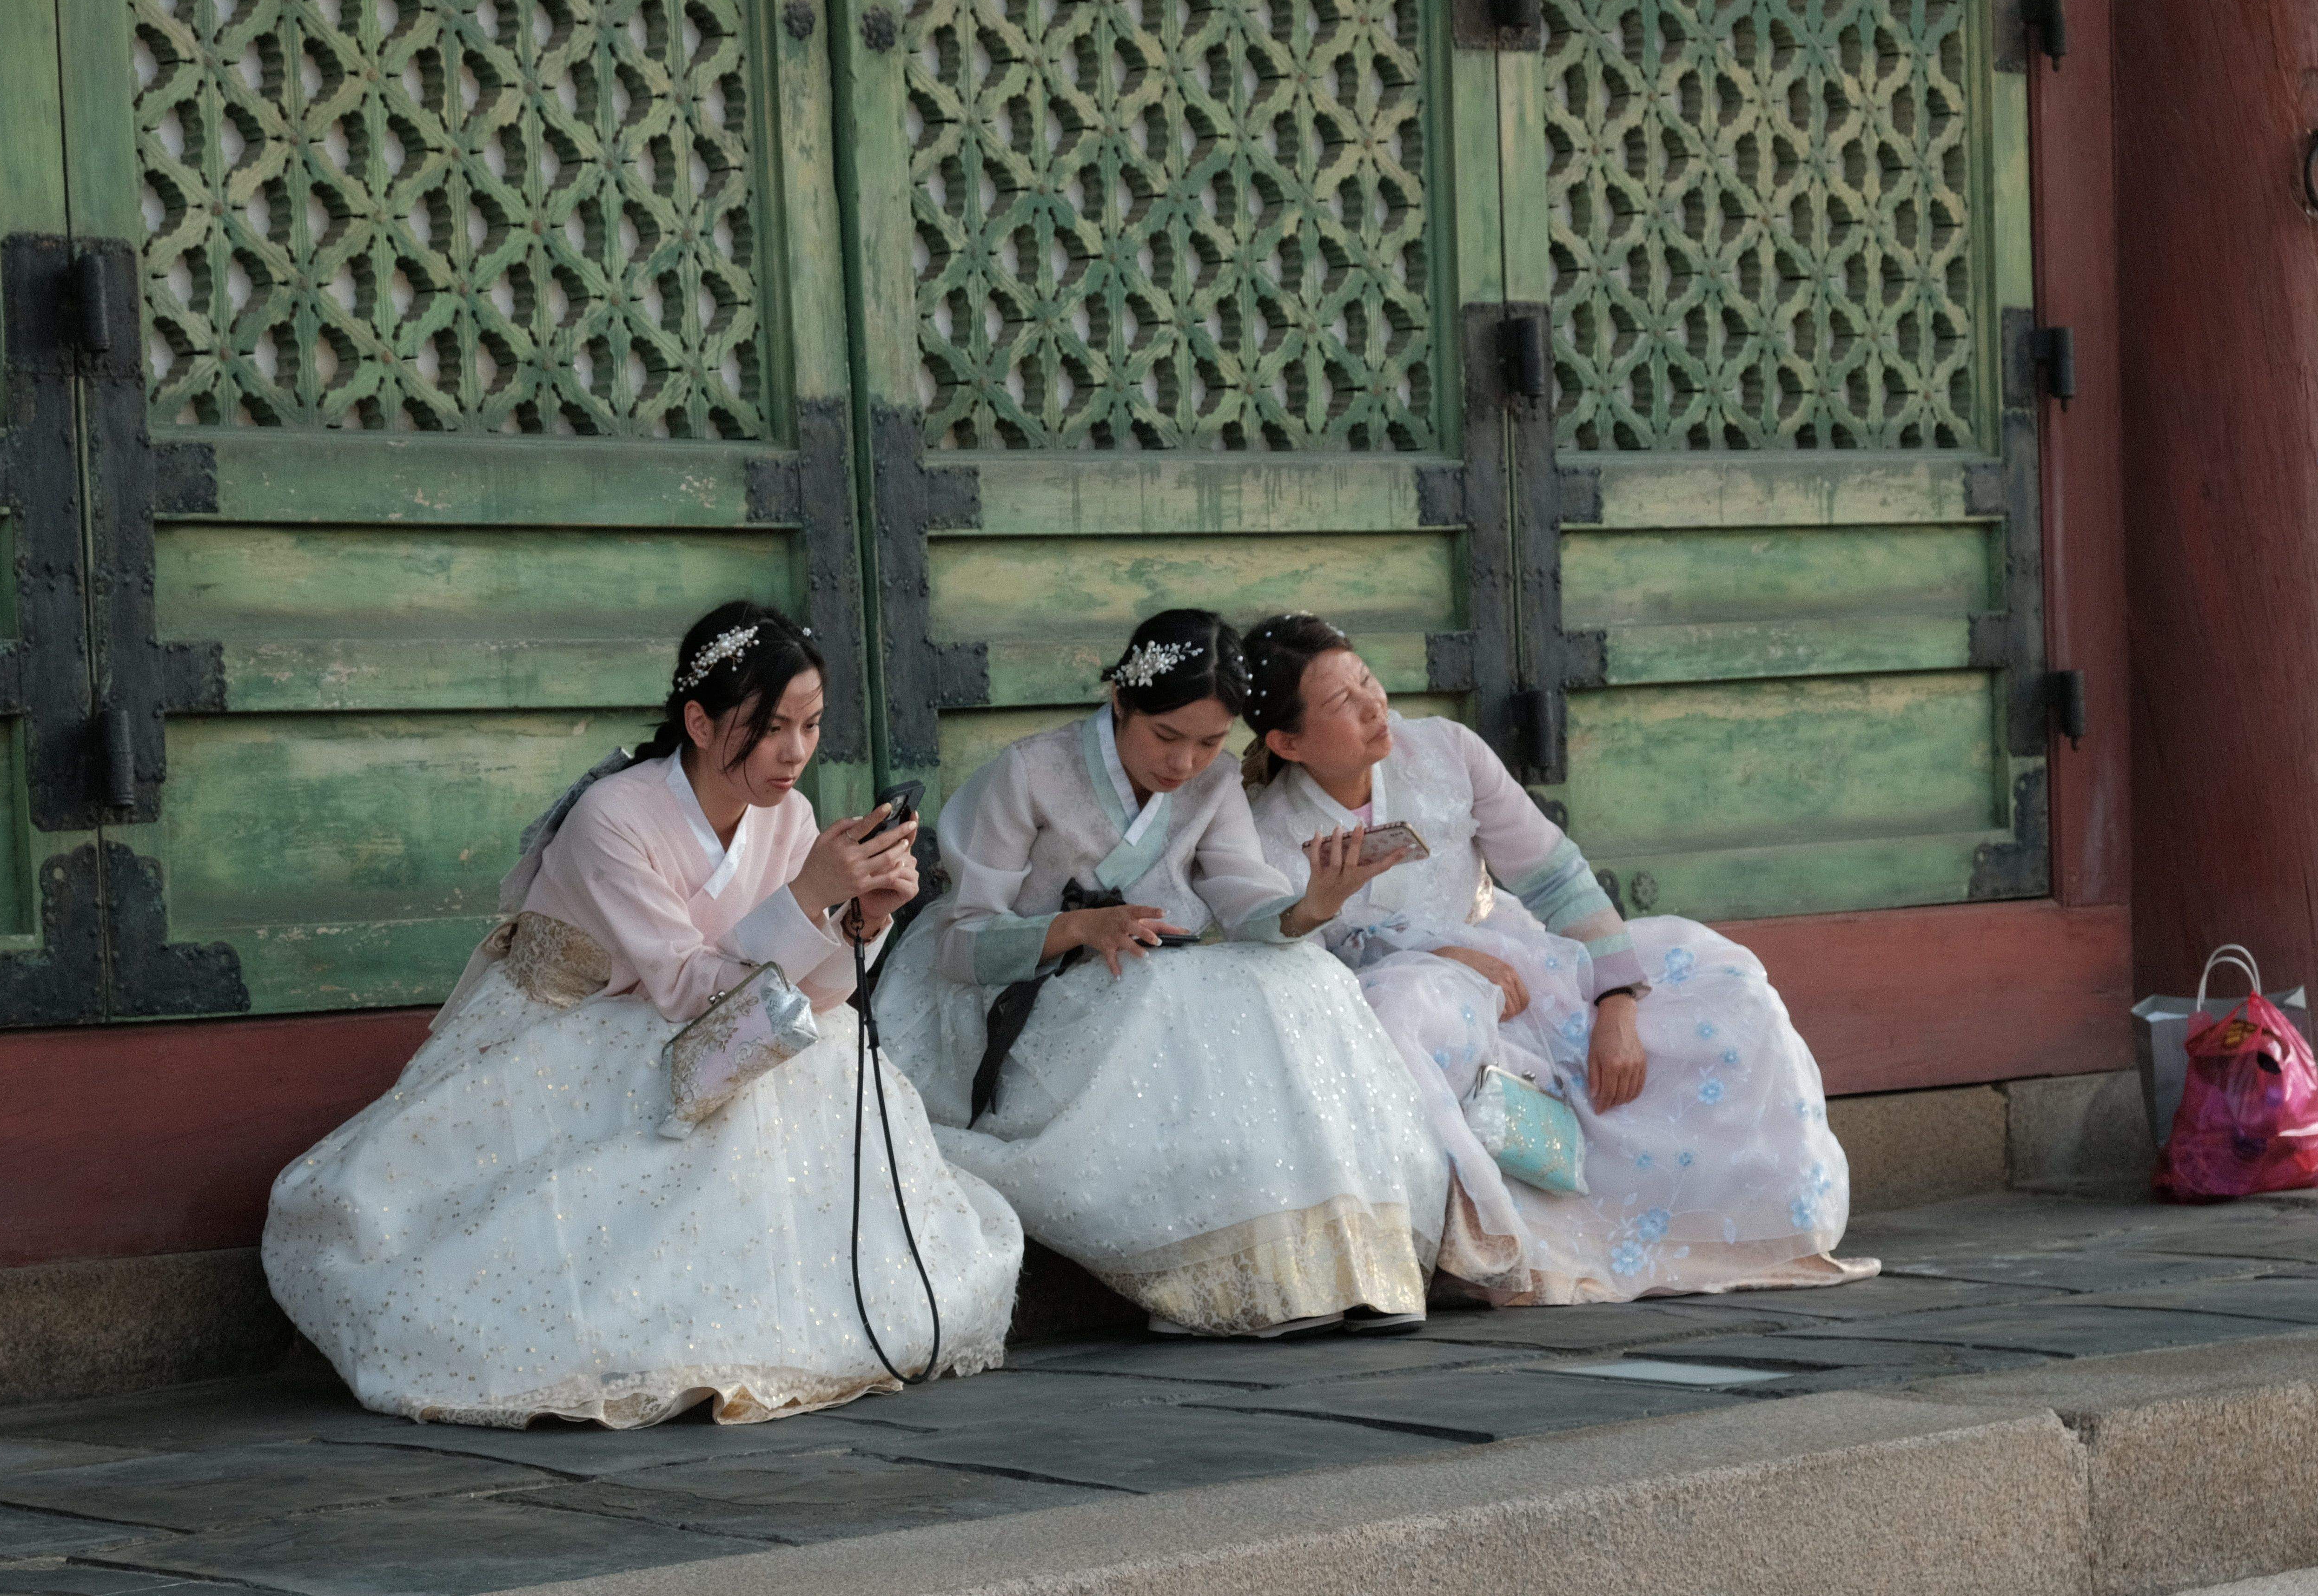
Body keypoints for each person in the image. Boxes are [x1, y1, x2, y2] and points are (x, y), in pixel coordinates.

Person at [263, 602, 1024, 1427]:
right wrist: (810, 895)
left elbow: (815, 996)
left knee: (822, 1051)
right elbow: (687, 989)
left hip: (712, 1024)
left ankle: (773, 1317)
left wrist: (861, 920)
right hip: (579, 1024)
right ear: (699, 721)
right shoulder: (614, 817)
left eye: (811, 726)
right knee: (716, 1097)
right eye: (770, 728)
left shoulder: (794, 819)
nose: (795, 752)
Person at [870, 608, 1477, 1338]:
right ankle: (1223, 1289)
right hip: (1013, 997)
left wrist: (1311, 904)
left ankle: (1340, 1268)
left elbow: (1246, 900)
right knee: (1168, 995)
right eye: (1166, 736)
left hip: (1135, 985)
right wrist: (1078, 929)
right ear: (1120, 700)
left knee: (1309, 979)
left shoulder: (1214, 785)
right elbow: (960, 944)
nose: (1185, 763)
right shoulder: (1028, 773)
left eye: (1210, 742)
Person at [1240, 613, 1873, 1304]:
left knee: (1729, 986)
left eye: (1368, 680)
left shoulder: (1447, 751)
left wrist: (1616, 999)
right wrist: (1435, 953)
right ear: (1287, 742)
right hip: (1422, 1005)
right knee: (1407, 1009)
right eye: (1342, 702)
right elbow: (1302, 974)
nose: (1374, 706)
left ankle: (1752, 1225)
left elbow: (1555, 878)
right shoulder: (1268, 836)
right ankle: (1498, 1246)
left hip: (1523, 970)